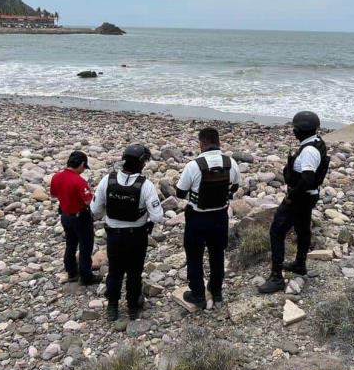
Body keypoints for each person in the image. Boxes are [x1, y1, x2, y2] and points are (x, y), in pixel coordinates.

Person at [90, 144, 165, 320]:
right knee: (134, 272)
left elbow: (95, 210)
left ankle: (112, 306)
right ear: (142, 163)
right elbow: (158, 216)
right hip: (136, 236)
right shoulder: (145, 185)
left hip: (114, 236)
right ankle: (132, 306)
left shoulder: (107, 180)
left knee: (115, 271)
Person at [259, 111, 330, 294]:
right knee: (302, 229)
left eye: (295, 128)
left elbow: (306, 178)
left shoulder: (309, 151)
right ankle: (299, 264)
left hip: (300, 197)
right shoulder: (315, 143)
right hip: (308, 196)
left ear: (300, 131)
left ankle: (276, 277)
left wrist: (291, 197)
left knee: (277, 231)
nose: (293, 131)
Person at [175, 128, 241, 308]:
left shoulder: (193, 165)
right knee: (217, 254)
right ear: (219, 142)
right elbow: (234, 188)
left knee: (194, 255)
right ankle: (216, 291)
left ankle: (197, 293)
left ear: (201, 144)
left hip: (197, 217)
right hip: (220, 216)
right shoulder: (231, 163)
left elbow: (180, 193)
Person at [50, 151, 101, 286]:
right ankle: (86, 276)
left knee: (70, 244)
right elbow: (88, 201)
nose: (83, 170)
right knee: (85, 246)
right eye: (84, 167)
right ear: (82, 164)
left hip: (65, 216)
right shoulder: (79, 181)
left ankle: (71, 271)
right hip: (80, 217)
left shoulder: (56, 177)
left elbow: (54, 194)